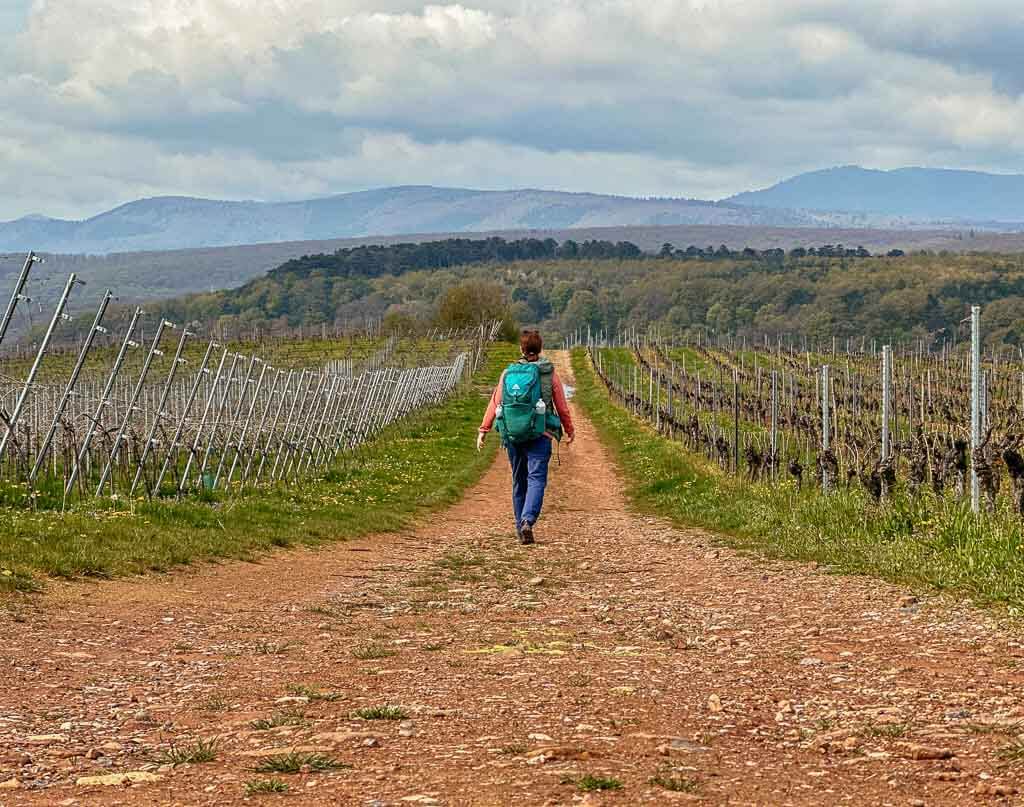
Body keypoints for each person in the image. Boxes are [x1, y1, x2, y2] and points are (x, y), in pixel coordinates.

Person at [477, 329, 574, 544]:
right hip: (541, 433)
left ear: (521, 349)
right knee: (536, 478)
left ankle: (520, 528)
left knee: (518, 481)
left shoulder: (509, 373)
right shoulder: (548, 373)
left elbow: (495, 402)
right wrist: (569, 430)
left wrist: (484, 430)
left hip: (513, 434)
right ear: (540, 349)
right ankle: (528, 520)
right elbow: (562, 406)